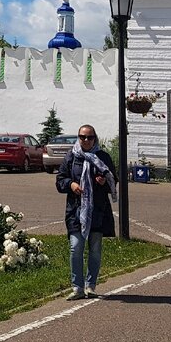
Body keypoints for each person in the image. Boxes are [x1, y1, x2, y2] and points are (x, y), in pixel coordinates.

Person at [56, 124, 117, 300]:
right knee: (75, 248)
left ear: (94, 138)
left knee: (95, 249)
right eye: (82, 137)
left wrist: (103, 181)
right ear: (78, 138)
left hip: (97, 210)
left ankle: (90, 285)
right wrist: (71, 184)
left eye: (89, 137)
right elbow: (60, 180)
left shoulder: (102, 156)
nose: (86, 140)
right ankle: (77, 288)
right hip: (76, 210)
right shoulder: (72, 156)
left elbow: (113, 180)